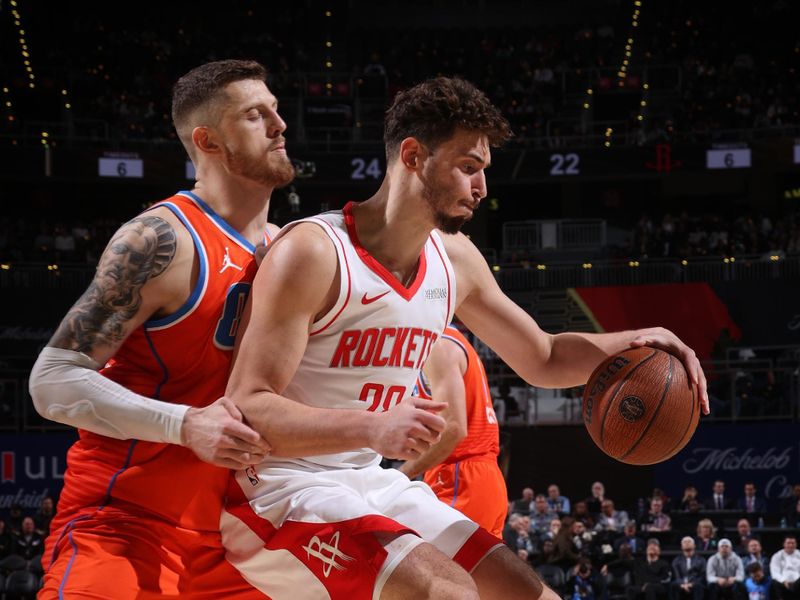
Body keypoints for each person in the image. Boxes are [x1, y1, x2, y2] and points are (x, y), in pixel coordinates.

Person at [222, 76, 707, 599]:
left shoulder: (456, 260)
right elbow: (248, 407)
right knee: (448, 592)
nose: (482, 189)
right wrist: (373, 426)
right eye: (468, 168)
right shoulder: (314, 252)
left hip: (367, 482)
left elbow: (542, 357)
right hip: (275, 489)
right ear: (412, 156)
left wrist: (640, 339)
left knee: (533, 595)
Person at [27, 59, 293, 599]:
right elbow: (51, 379)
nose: (279, 124)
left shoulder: (292, 250)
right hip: (129, 522)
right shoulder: (160, 239)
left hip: (242, 536)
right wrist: (185, 425)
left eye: (277, 110)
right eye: (255, 114)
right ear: (208, 141)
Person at [399, 324, 507, 538]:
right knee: (479, 571)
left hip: (459, 476)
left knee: (426, 566)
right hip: (479, 476)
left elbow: (454, 429)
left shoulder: (439, 344)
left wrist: (399, 476)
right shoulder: (449, 342)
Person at [769, 536, 800, 600]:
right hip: (782, 582)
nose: (791, 545)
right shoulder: (777, 556)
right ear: (784, 544)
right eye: (788, 543)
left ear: (796, 544)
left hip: (798, 581)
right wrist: (783, 581)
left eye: (793, 543)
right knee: (774, 582)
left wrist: (796, 581)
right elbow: (774, 572)